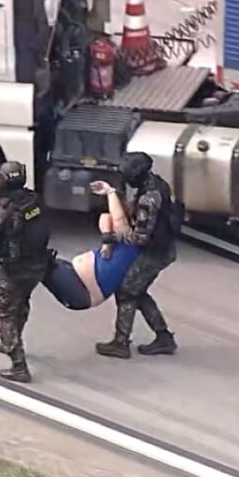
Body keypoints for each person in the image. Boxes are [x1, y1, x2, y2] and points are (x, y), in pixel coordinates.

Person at [95, 152, 180, 359]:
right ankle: (163, 337)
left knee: (126, 291)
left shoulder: (148, 200)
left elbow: (140, 238)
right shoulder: (155, 184)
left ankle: (121, 342)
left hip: (155, 252)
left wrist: (111, 238)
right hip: (161, 248)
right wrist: (112, 194)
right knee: (137, 291)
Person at [0, 161, 51, 383]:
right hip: (38, 266)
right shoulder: (34, 201)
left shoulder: (0, 212)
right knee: (21, 304)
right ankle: (12, 340)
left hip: (13, 270)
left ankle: (19, 365)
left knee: (1, 313)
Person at [43, 179, 141, 312]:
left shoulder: (132, 240)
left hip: (82, 291)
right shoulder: (118, 238)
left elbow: (119, 220)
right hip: (73, 275)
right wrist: (107, 239)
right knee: (38, 260)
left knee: (36, 261)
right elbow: (105, 218)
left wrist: (110, 192)